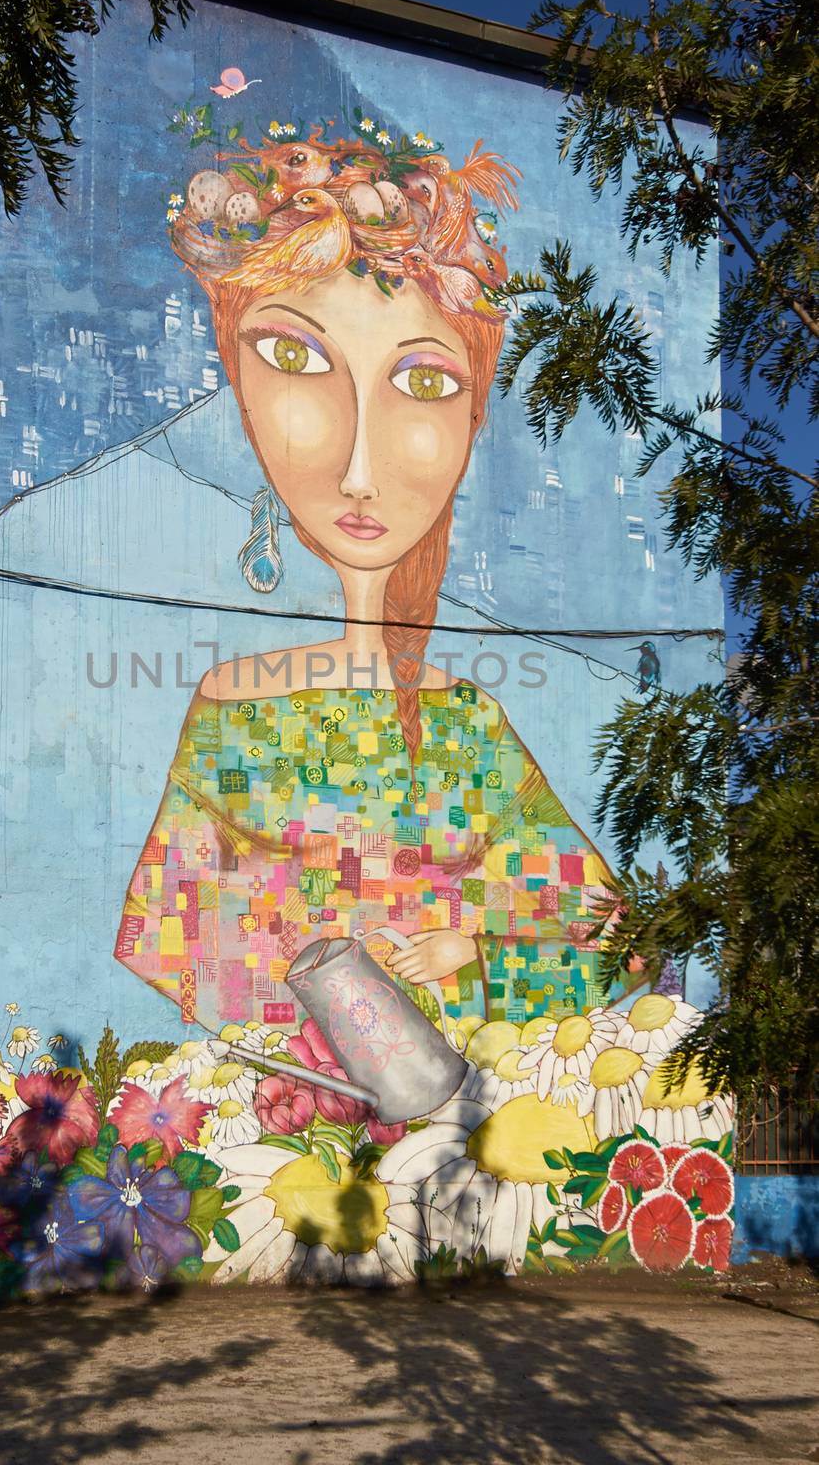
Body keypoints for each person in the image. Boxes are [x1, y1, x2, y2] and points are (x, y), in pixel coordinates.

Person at [114, 120, 630, 1040]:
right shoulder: (235, 706)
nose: (359, 467)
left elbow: (614, 941)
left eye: (424, 383)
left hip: (472, 1114)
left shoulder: (467, 725)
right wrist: (320, 991)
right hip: (286, 1129)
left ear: (474, 411)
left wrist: (473, 947)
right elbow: (168, 946)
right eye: (296, 360)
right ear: (236, 379)